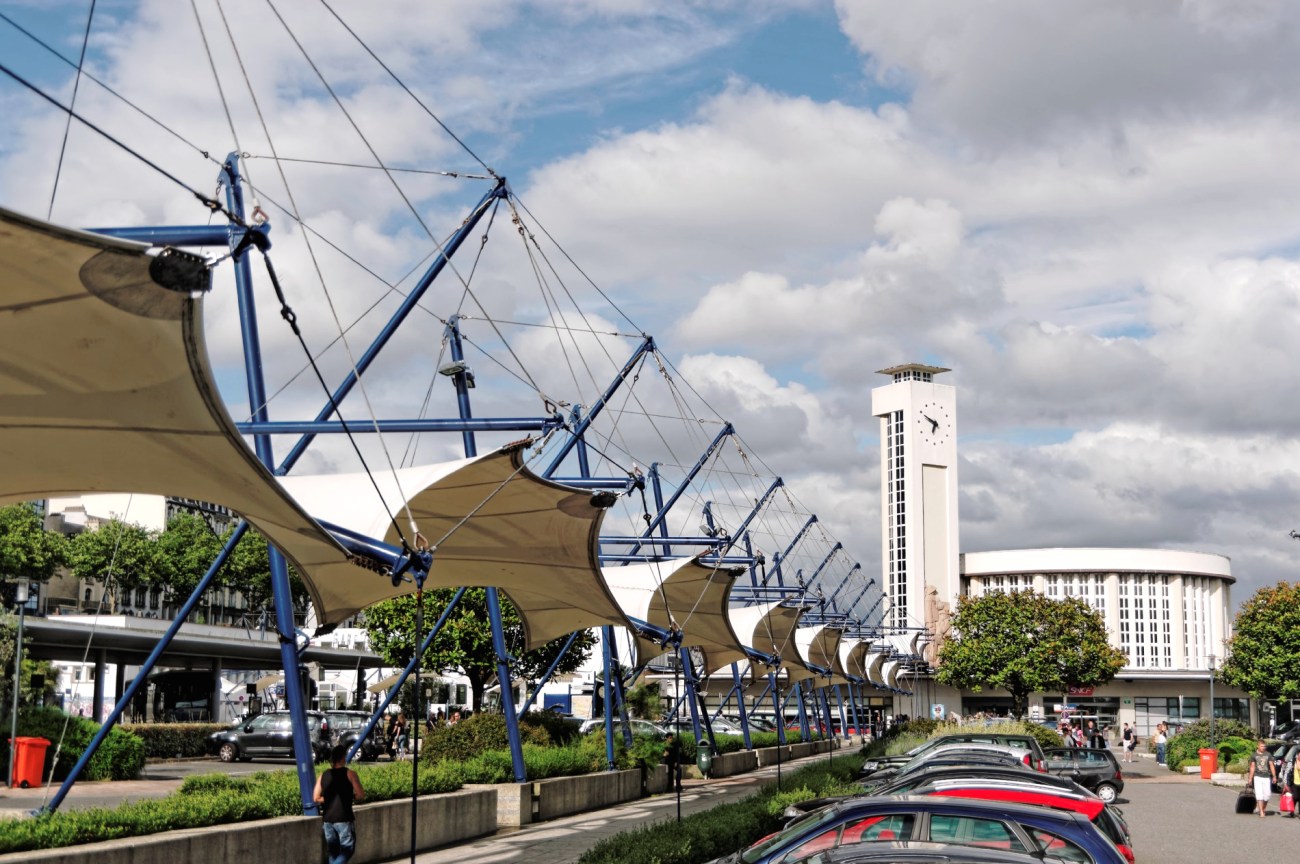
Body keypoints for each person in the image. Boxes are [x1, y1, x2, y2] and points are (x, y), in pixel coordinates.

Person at [314, 744, 366, 864]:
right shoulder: (350, 774)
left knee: (333, 852)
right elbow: (360, 795)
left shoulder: (323, 775)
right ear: (343, 758)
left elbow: (316, 798)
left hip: (327, 820)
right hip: (344, 818)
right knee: (348, 849)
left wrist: (329, 798)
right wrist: (350, 796)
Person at [1247, 738, 1277, 818]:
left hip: (1266, 777)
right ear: (1258, 746)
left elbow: (1271, 765)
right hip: (1257, 777)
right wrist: (1250, 778)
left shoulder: (1268, 754)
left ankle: (1262, 809)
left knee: (1267, 795)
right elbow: (1252, 767)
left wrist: (1274, 776)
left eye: (1264, 746)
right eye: (1262, 746)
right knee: (1259, 795)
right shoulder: (1254, 755)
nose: (1263, 747)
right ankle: (1261, 812)